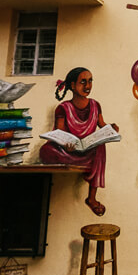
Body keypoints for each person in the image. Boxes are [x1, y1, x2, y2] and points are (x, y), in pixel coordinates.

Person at [38, 67, 117, 217]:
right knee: (46, 151)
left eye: (90, 81)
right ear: (73, 85)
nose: (87, 86)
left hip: (87, 150)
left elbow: (102, 124)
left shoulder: (95, 105)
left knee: (101, 147)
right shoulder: (63, 108)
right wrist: (66, 145)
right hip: (67, 151)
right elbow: (59, 133)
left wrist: (111, 128)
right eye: (83, 82)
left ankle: (91, 197)